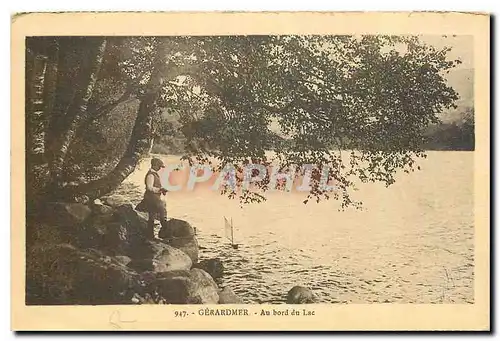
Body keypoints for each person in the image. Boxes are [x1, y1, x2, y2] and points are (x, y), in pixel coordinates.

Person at [135, 157, 171, 239]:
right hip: (151, 198)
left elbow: (152, 187)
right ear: (154, 165)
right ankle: (165, 231)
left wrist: (161, 190)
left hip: (153, 197)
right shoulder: (151, 175)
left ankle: (150, 235)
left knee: (152, 216)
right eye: (159, 166)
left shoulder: (153, 174)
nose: (159, 168)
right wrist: (160, 189)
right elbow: (149, 188)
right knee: (162, 212)